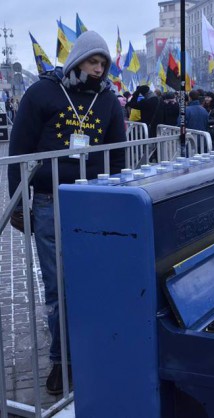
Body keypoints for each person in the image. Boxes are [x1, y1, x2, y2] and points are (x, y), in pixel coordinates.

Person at [8, 31, 126, 395]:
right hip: (50, 202)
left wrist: (118, 201)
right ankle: (63, 361)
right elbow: (19, 149)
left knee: (93, 282)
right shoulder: (42, 93)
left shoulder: (108, 100)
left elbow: (119, 155)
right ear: (77, 60)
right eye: (94, 61)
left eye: (104, 64)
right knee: (58, 287)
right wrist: (17, 201)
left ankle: (93, 353)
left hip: (94, 203)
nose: (99, 69)